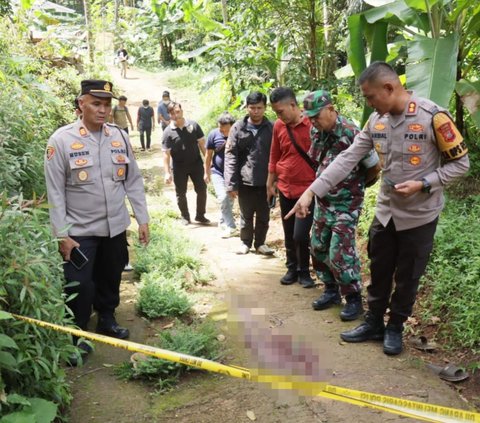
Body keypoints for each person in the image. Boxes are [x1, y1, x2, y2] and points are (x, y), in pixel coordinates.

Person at [286, 62, 469, 355]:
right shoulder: (376, 122)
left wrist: (424, 183)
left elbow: (462, 164)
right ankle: (373, 322)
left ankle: (395, 326)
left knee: (408, 275)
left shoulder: (433, 117)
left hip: (420, 215)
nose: (369, 103)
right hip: (386, 213)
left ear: (389, 88)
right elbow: (346, 160)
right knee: (380, 268)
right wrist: (310, 192)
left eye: (371, 97)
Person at [44, 79, 150, 362]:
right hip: (80, 231)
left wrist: (142, 218)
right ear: (81, 104)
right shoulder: (61, 141)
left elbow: (133, 181)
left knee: (110, 275)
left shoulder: (118, 136)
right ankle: (77, 336)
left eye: (106, 105)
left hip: (115, 226)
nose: (103, 110)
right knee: (78, 285)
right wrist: (62, 234)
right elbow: (55, 193)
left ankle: (107, 318)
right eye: (96, 104)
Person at [302, 89, 378, 321]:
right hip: (324, 200)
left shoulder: (352, 132)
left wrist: (354, 188)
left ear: (331, 109)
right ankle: (331, 290)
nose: (314, 121)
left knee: (340, 251)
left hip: (347, 203)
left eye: (317, 115)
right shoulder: (317, 130)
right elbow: (317, 160)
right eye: (310, 117)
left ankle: (353, 297)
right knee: (318, 245)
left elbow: (374, 167)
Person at [267, 87, 316, 287]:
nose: (278, 116)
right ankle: (292, 268)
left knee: (301, 234)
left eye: (281, 111)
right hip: (285, 187)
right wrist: (270, 182)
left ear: (293, 105)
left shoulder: (312, 124)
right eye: (276, 113)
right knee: (288, 231)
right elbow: (274, 154)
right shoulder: (279, 126)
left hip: (307, 189)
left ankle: (305, 270)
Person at [224, 92, 274, 255]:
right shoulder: (238, 128)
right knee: (246, 214)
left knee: (264, 215)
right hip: (245, 180)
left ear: (265, 108)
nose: (256, 111)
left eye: (259, 108)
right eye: (252, 108)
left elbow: (278, 155)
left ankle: (260, 243)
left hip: (266, 181)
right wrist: (231, 183)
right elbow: (231, 156)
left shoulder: (272, 128)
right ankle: (245, 242)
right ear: (246, 107)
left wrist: (276, 181)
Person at [162, 102, 210, 225]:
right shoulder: (168, 132)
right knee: (181, 193)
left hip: (196, 164)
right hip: (179, 167)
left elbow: (203, 146)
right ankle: (185, 216)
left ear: (182, 111)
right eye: (172, 113)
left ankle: (200, 215)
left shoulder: (193, 125)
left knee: (202, 190)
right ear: (169, 115)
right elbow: (166, 154)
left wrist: (208, 164)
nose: (176, 115)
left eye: (178, 111)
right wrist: (167, 173)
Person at [204, 112, 238, 238]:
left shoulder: (239, 134)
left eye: (226, 130)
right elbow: (208, 155)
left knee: (230, 198)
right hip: (217, 172)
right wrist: (206, 172)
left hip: (233, 174)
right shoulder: (213, 134)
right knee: (223, 197)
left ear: (232, 127)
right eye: (221, 129)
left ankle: (223, 220)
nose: (223, 132)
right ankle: (231, 226)